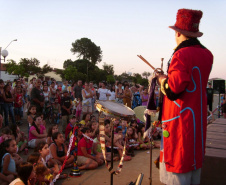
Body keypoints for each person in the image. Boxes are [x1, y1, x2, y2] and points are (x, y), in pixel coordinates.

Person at [156, 9, 213, 185]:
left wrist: (160, 79)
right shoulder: (207, 54)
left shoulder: (181, 55)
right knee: (193, 166)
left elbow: (173, 91)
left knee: (178, 168)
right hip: (197, 121)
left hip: (180, 122)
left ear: (178, 32)